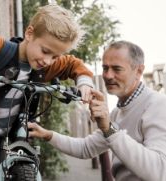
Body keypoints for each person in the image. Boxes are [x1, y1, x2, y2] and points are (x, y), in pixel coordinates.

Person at [0, 4, 94, 181]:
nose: (48, 61)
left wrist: (84, 84)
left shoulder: (44, 64)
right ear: (29, 33)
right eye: (45, 51)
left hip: (1, 138)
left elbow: (73, 64)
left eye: (55, 57)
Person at [28, 40, 166, 181]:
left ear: (139, 71)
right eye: (105, 68)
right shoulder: (117, 113)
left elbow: (160, 171)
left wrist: (109, 129)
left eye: (117, 69)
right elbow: (86, 148)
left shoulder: (158, 105)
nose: (108, 75)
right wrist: (47, 134)